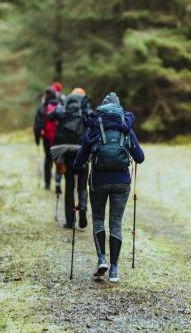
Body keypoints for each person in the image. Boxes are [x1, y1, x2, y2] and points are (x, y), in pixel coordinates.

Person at [73, 92, 145, 283]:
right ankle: (114, 270)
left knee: (98, 219)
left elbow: (79, 159)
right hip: (122, 181)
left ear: (102, 108)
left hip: (98, 181)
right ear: (118, 108)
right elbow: (140, 157)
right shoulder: (125, 127)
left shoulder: (94, 126)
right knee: (116, 223)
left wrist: (78, 165)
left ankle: (102, 259)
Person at [51, 88, 92, 229]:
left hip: (67, 150)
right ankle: (83, 209)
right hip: (82, 150)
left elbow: (52, 116)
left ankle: (70, 221)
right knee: (82, 185)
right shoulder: (85, 107)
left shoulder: (65, 106)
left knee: (69, 185)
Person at [33, 87, 61, 192]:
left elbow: (37, 126)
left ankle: (47, 184)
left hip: (46, 138)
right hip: (58, 138)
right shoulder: (59, 106)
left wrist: (37, 140)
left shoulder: (42, 108)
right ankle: (58, 182)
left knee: (48, 159)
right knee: (58, 159)